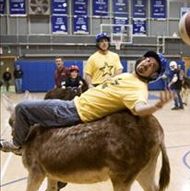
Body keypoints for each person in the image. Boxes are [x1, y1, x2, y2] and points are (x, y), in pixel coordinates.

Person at [0, 51, 172, 155]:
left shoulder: (139, 88)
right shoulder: (127, 76)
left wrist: (156, 106)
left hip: (74, 111)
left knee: (22, 108)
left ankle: (17, 145)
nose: (145, 64)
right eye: (146, 60)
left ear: (153, 75)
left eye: (151, 66)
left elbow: (138, 108)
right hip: (74, 104)